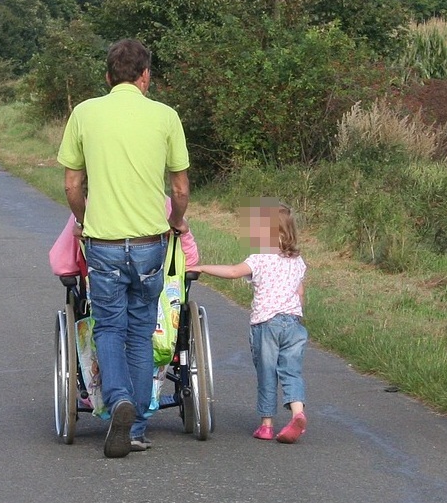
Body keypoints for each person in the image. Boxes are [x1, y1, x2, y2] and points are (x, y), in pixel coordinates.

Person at [57, 38, 190, 458]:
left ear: (108, 76)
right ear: (145, 75)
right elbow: (180, 189)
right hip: (150, 243)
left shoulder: (84, 113)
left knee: (109, 327)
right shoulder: (165, 117)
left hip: (104, 243)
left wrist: (83, 221)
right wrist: (175, 222)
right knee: (140, 330)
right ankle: (136, 427)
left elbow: (72, 185)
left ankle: (117, 401)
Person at [189, 199, 308, 444]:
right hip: (294, 323)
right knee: (291, 371)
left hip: (266, 324)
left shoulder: (260, 258)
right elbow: (300, 293)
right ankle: (298, 413)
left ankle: (266, 425)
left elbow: (233, 272)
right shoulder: (297, 262)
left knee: (267, 373)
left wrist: (203, 268)